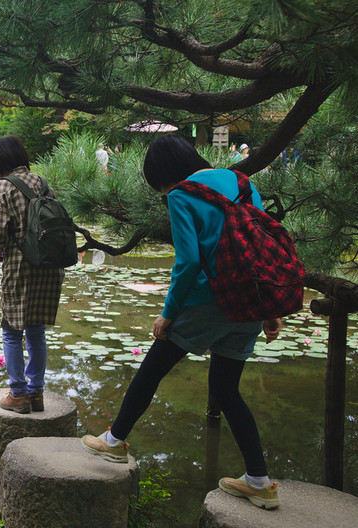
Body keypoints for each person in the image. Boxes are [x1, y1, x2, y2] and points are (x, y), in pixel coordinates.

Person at [81, 133, 282, 510]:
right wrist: (270, 310)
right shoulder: (242, 182)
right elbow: (262, 247)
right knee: (226, 389)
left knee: (152, 368)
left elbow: (188, 261)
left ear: (162, 174)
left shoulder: (181, 194)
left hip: (210, 302)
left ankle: (115, 441)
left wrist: (168, 313)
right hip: (251, 302)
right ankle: (259, 479)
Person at [0, 135, 64, 414]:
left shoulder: (1, 187)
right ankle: (36, 393)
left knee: (11, 330)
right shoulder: (42, 183)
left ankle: (18, 394)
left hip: (20, 265)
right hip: (49, 265)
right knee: (36, 330)